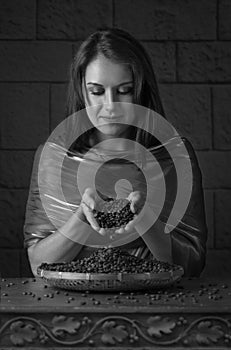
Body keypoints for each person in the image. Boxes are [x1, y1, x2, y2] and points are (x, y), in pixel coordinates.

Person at [24, 27, 207, 277]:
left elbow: (192, 265)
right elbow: (38, 265)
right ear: (81, 91)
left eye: (124, 90)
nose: (110, 106)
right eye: (97, 92)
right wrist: (83, 218)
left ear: (141, 89)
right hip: (69, 306)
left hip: (154, 307)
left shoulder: (174, 157)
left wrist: (145, 219)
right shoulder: (54, 158)